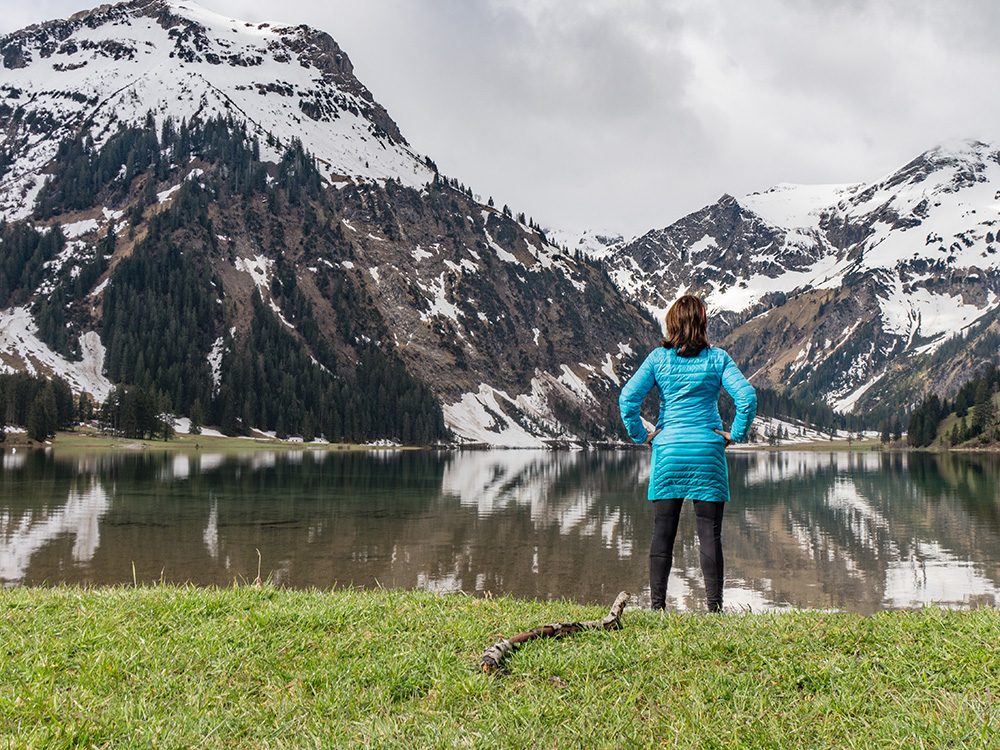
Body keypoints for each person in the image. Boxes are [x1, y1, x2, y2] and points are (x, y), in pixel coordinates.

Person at [619, 295, 756, 612]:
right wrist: (735, 434)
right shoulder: (717, 359)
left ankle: (657, 608)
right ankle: (714, 609)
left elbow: (628, 400)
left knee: (662, 531)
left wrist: (643, 436)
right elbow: (747, 396)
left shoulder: (658, 359)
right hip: (707, 452)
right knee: (710, 533)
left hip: (669, 452)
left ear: (671, 323)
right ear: (703, 323)